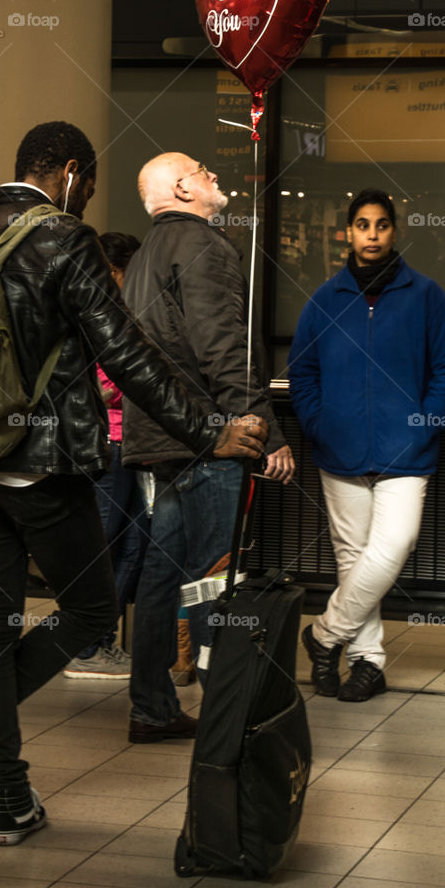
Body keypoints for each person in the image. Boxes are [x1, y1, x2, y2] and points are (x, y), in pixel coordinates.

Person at [0, 122, 267, 846]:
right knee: (88, 610)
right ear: (70, 171)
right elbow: (125, 351)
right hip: (38, 459)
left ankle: (5, 792)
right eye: (90, 182)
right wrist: (208, 431)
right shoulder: (61, 236)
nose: (89, 196)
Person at [122, 153, 295, 741]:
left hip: (159, 441)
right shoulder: (203, 246)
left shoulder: (145, 254)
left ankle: (151, 707)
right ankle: (226, 710)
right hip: (211, 439)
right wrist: (263, 429)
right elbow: (223, 347)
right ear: (180, 188)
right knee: (213, 576)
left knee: (160, 576)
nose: (214, 176)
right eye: (202, 170)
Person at [288, 188, 445, 701]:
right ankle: (367, 662)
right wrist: (320, 423)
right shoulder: (325, 300)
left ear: (395, 231)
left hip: (406, 452)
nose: (372, 234)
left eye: (382, 225)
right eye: (362, 224)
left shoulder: (426, 295)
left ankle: (324, 635)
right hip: (339, 450)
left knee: (393, 545)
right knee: (353, 558)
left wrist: (424, 422)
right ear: (349, 232)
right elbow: (302, 373)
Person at [64, 232, 150, 680]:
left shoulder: (124, 315)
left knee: (133, 546)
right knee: (102, 548)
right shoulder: (94, 316)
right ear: (114, 273)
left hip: (131, 445)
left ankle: (100, 640)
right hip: (106, 446)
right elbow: (97, 388)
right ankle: (84, 645)